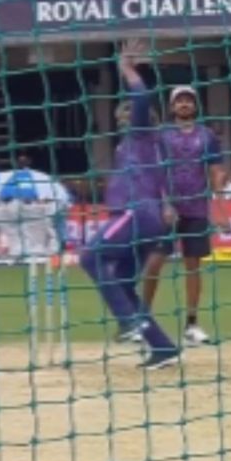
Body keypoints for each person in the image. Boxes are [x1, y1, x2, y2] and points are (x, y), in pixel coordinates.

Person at [76, 48, 181, 371]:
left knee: (89, 257)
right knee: (122, 283)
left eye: (127, 114)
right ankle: (162, 347)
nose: (124, 118)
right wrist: (168, 204)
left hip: (136, 213)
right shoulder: (149, 146)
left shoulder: (141, 135)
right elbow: (166, 181)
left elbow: (141, 97)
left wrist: (128, 70)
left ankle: (127, 322)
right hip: (150, 219)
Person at [142, 84, 224, 346]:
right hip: (165, 209)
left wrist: (220, 208)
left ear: (195, 105)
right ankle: (142, 320)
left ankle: (191, 325)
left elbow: (215, 172)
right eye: (180, 101)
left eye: (189, 100)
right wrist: (164, 203)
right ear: (172, 106)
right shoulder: (161, 135)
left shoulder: (208, 136)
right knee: (154, 263)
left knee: (193, 266)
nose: (185, 104)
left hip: (197, 209)